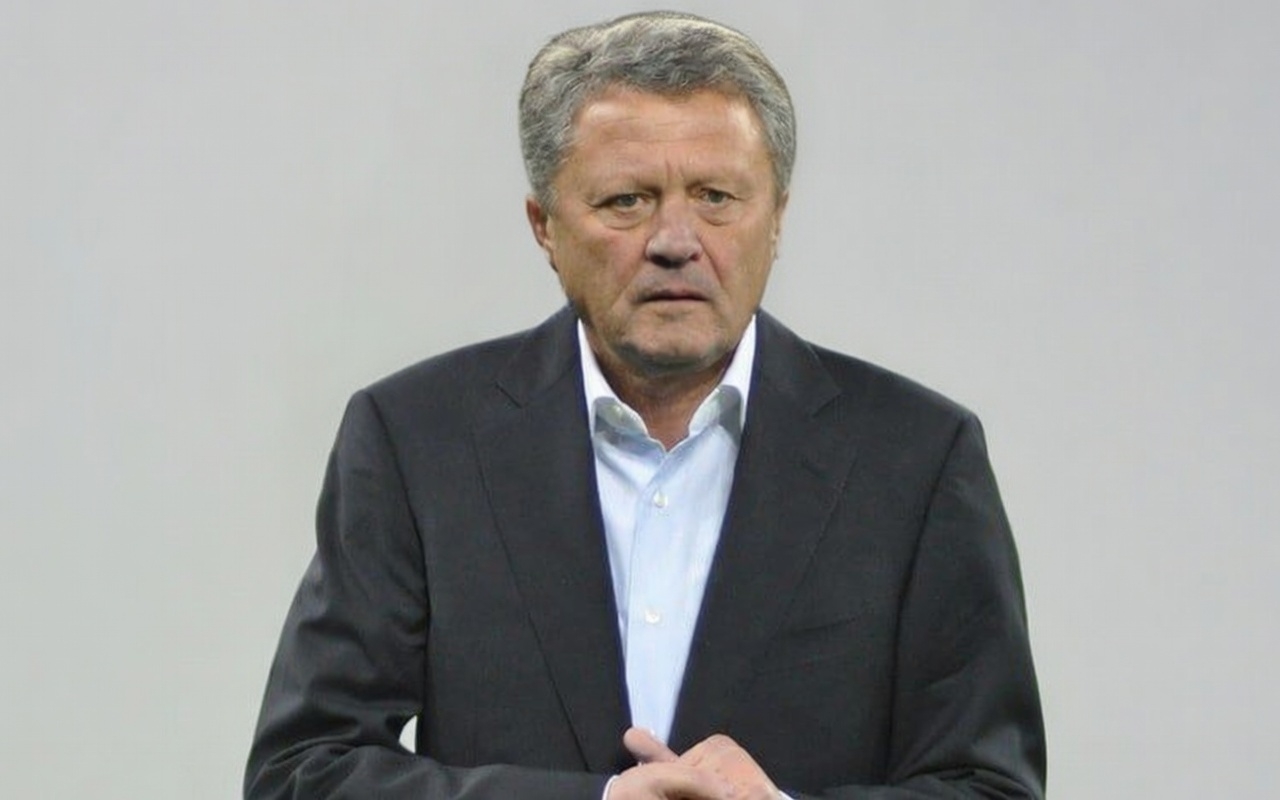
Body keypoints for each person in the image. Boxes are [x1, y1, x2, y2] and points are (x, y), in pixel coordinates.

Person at [245, 11, 1046, 800]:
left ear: (777, 220)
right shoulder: (417, 443)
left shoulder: (917, 459)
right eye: (627, 200)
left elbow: (990, 787)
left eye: (716, 197)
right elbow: (302, 773)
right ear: (544, 228)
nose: (675, 239)